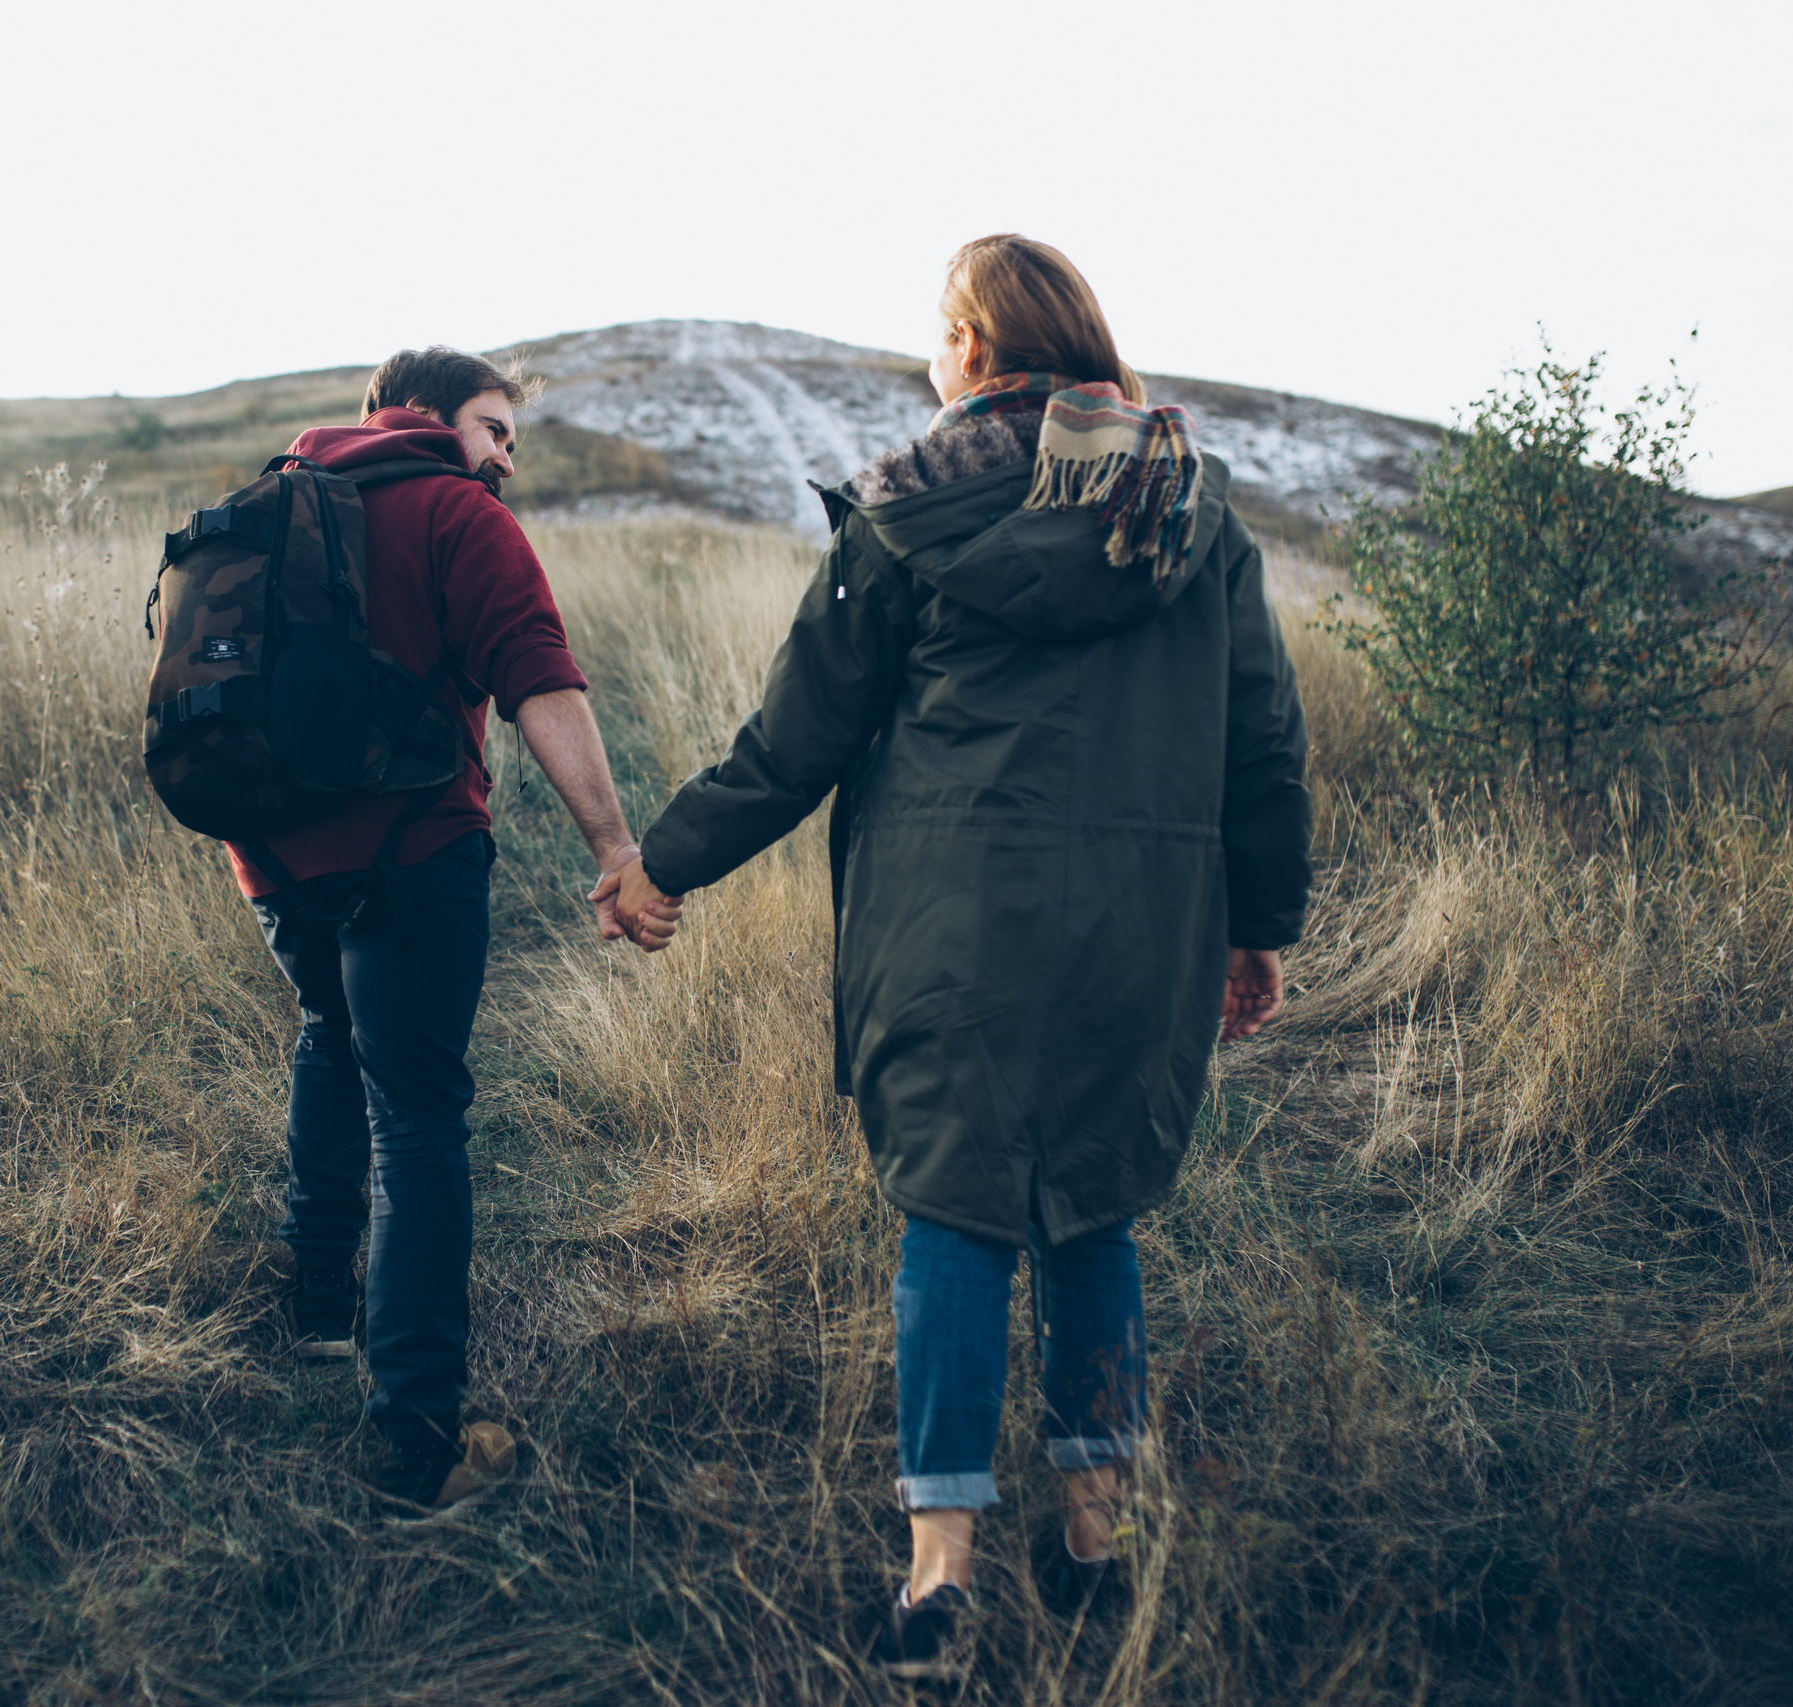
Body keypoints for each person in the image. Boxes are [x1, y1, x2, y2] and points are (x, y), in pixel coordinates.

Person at [593, 237, 1312, 1677]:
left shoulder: (905, 516)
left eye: (941, 329)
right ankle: (1098, 1547)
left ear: (979, 347)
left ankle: (939, 1576)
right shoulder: (1195, 515)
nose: (934, 355)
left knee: (957, 1221)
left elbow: (796, 741)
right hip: (1141, 930)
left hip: (950, 931)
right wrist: (1258, 924)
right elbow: (1264, 743)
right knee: (1095, 1210)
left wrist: (656, 860)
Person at [243, 346, 671, 1517]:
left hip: (274, 861)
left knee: (329, 1035)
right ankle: (418, 1439)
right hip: (412, 856)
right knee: (419, 1115)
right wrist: (614, 852)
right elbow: (541, 681)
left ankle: (320, 1306)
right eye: (495, 429)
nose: (506, 460)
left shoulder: (268, 500)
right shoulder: (457, 514)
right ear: (423, 418)